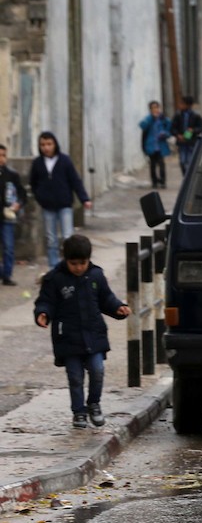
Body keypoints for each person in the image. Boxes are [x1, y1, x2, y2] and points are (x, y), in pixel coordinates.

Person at [34, 234, 131, 429]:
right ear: (65, 260)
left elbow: (106, 298)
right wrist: (43, 313)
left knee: (97, 370)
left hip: (94, 335)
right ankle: (78, 412)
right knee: (75, 376)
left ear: (89, 259)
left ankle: (93, 403)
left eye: (82, 263)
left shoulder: (96, 276)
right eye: (74, 263)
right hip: (68, 338)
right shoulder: (55, 279)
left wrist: (118, 308)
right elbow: (46, 301)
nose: (78, 267)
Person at [29, 131, 91, 269]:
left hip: (64, 205)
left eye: (49, 144)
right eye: (43, 144)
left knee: (68, 237)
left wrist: (84, 198)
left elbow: (75, 181)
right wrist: (40, 197)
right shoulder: (38, 163)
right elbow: (33, 183)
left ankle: (69, 265)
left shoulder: (64, 160)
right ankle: (53, 268)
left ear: (55, 144)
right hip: (47, 207)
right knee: (51, 239)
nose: (46, 147)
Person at [0, 143, 28, 286]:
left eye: (4, 155)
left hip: (7, 216)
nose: (1, 159)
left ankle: (7, 276)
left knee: (9, 247)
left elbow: (23, 194)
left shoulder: (11, 175)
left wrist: (18, 204)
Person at [139, 100, 172, 189]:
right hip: (151, 146)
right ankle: (154, 181)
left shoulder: (164, 119)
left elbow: (169, 130)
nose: (155, 110)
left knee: (161, 164)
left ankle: (163, 181)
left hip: (161, 146)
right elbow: (142, 126)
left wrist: (164, 134)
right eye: (153, 108)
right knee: (153, 164)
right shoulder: (148, 119)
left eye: (156, 107)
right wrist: (151, 118)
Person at [171, 96, 202, 177]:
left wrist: (193, 130)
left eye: (182, 103)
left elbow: (201, 127)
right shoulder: (178, 115)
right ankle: (185, 176)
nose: (180, 105)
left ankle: (189, 177)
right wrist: (177, 135)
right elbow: (173, 128)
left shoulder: (195, 116)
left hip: (191, 142)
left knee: (190, 161)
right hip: (182, 143)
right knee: (182, 161)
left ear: (188, 105)